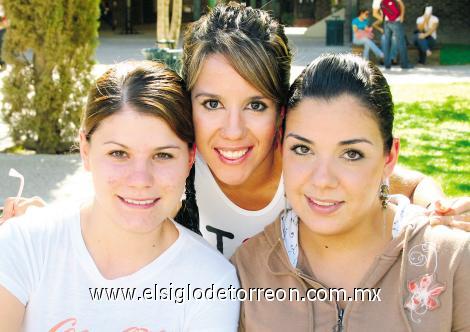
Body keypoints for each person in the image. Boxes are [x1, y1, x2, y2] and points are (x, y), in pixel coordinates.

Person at [0, 3, 465, 258]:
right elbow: (118, 201)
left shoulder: (304, 166)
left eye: (256, 104)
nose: (233, 131)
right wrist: (45, 223)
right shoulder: (179, 163)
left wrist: (442, 207)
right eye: (212, 103)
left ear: (282, 112)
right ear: (189, 104)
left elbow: (410, 182)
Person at [231, 53, 470, 330]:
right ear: (281, 148)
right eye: (303, 149)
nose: (322, 180)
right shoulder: (248, 271)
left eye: (352, 154)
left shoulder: (452, 261)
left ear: (389, 158)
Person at [0, 61, 239, 331]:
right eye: (118, 153)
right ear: (85, 150)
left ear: (190, 158)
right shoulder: (24, 245)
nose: (140, 180)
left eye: (163, 155)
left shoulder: (211, 282)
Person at [373, 0, 413, 69]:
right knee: (401, 42)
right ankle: (405, 65)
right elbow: (401, 4)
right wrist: (402, 16)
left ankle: (387, 65)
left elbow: (374, 13)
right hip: (396, 21)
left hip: (386, 22)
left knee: (386, 43)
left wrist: (383, 17)